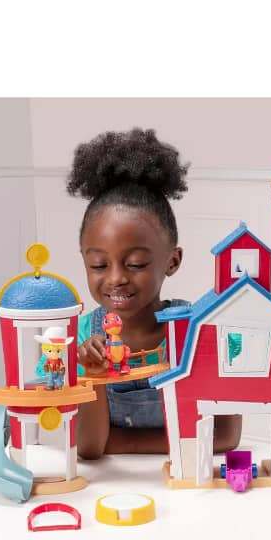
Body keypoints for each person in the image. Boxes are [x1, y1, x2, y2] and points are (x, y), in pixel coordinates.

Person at [67, 127, 242, 459]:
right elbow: (89, 448)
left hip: (188, 477)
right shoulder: (82, 339)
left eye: (135, 264)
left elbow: (225, 436)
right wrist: (93, 374)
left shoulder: (200, 330)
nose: (116, 278)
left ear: (172, 261)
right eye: (99, 265)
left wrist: (119, 443)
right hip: (115, 484)